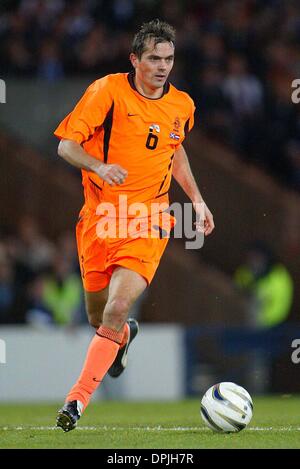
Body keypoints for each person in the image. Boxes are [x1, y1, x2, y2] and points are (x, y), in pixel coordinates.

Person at [53, 19, 214, 432]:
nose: (162, 67)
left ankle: (76, 401)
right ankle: (122, 338)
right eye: (154, 59)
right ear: (135, 60)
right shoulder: (106, 91)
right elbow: (66, 145)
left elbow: (174, 151)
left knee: (118, 306)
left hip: (150, 219)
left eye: (169, 59)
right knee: (98, 317)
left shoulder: (183, 105)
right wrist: (99, 166)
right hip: (99, 219)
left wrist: (196, 199)